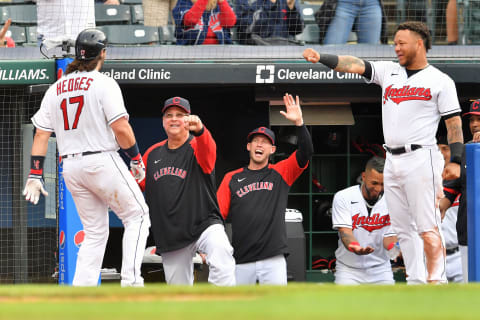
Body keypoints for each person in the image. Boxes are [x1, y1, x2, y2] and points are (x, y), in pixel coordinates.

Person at [303, 21, 464, 284]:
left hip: (421, 156)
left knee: (427, 224)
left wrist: (456, 160)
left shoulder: (440, 81)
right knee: (403, 228)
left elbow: (454, 124)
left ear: (419, 44)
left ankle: (437, 281)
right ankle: (416, 281)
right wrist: (323, 58)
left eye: (402, 43)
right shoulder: (389, 71)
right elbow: (354, 64)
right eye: (395, 43)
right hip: (393, 160)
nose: (396, 48)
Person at [23, 29, 150, 287]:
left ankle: (81, 293)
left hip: (71, 167)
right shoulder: (103, 83)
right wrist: (136, 159)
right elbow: (122, 129)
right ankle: (132, 285)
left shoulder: (57, 87)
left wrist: (35, 173)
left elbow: (41, 135)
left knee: (94, 232)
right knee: (137, 215)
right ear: (102, 53)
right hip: (101, 159)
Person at [136, 96, 235, 286]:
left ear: (188, 119)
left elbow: (209, 148)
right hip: (171, 233)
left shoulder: (198, 145)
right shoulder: (152, 153)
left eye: (179, 115)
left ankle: (224, 307)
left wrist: (201, 130)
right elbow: (134, 185)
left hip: (204, 224)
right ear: (163, 121)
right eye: (169, 115)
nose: (174, 119)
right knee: (179, 292)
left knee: (221, 249)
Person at [216, 94, 313, 285]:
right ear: (248, 146)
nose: (260, 144)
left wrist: (300, 123)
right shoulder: (232, 178)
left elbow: (306, 152)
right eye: (256, 141)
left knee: (276, 311)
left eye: (265, 141)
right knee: (241, 312)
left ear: (272, 149)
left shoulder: (280, 172)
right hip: (241, 259)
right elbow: (217, 216)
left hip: (273, 259)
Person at [332, 156, 399, 285]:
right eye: (374, 183)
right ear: (363, 177)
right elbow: (345, 232)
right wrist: (355, 247)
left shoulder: (393, 199)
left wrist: (396, 249)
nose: (379, 189)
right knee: (345, 305)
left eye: (383, 183)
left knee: (388, 305)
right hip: (348, 270)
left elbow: (389, 237)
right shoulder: (344, 197)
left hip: (380, 269)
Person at [440, 100, 480, 283]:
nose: (474, 124)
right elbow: (450, 191)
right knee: (470, 294)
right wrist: (437, 208)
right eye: (471, 120)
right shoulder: (464, 151)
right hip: (468, 235)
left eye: (478, 119)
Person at [437, 137, 463, 283]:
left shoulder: (465, 178)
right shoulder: (424, 180)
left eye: (445, 148)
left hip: (460, 253)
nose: (441, 153)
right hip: (434, 255)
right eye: (438, 148)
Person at [235, 0, 304, 45]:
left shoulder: (290, 1)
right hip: (256, 50)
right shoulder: (246, 1)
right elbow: (245, 28)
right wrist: (269, 4)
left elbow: (297, 30)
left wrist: (292, 9)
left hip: (284, 49)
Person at [173, 0, 237, 45]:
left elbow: (230, 22)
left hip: (220, 50)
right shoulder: (185, 2)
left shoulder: (221, 3)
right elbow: (189, 21)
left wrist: (222, 2)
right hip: (191, 49)